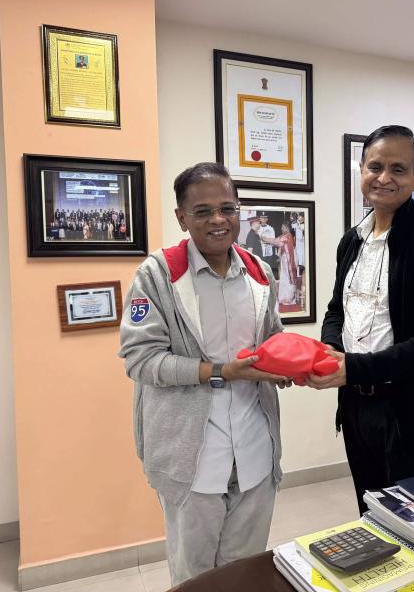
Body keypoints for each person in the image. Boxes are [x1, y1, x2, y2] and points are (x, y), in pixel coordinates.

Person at [118, 162, 290, 586]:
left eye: (228, 208)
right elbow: (140, 359)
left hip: (255, 450)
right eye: (203, 211)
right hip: (191, 459)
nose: (218, 220)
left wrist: (287, 364)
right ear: (182, 217)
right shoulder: (158, 275)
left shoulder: (259, 272)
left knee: (244, 572)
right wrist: (219, 372)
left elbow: (273, 339)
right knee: (194, 578)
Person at [307, 125, 414, 514]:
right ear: (361, 169)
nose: (384, 178)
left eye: (398, 169)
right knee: (371, 514)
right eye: (375, 166)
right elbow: (337, 310)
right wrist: (329, 351)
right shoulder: (352, 241)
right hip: (356, 406)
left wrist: (355, 367)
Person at [260, 221, 299, 306]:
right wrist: (265, 239)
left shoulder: (287, 236)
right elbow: (276, 241)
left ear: (286, 228)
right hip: (285, 260)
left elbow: (276, 242)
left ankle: (288, 298)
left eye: (282, 227)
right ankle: (285, 297)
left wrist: (263, 238)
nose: (281, 228)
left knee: (287, 278)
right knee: (284, 278)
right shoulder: (285, 236)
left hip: (288, 260)